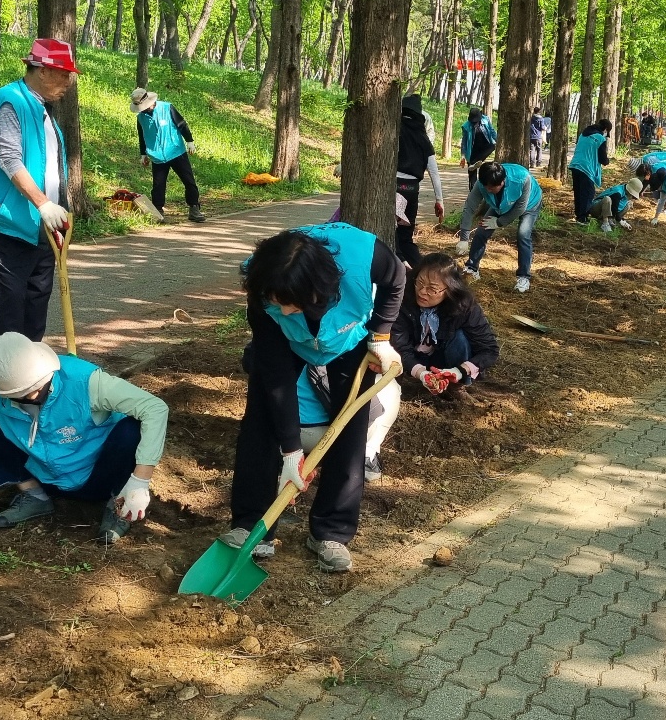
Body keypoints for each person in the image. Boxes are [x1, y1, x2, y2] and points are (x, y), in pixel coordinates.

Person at [226, 224, 406, 572]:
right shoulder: (262, 276)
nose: (287, 311)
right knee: (261, 423)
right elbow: (275, 373)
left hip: (347, 343)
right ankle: (251, 525)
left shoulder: (364, 256)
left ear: (317, 289)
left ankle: (331, 531)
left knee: (349, 433)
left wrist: (381, 335)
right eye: (278, 304)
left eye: (292, 304)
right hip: (285, 344)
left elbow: (396, 279)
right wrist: (292, 451)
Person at [0, 332, 167, 543]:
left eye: (35, 387)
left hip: (99, 476)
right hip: (45, 478)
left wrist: (140, 481)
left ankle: (119, 505)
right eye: (22, 393)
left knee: (131, 429)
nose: (32, 396)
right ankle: (34, 497)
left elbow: (155, 408)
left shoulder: (86, 382)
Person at [0, 38, 77, 341]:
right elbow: (8, 158)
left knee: (37, 296)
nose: (69, 82)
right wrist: (44, 203)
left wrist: (56, 207)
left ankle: (31, 371)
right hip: (8, 221)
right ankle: (8, 374)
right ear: (42, 71)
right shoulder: (10, 100)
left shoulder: (41, 107)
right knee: (13, 301)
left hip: (40, 223)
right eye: (64, 73)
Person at [391, 254, 499, 407]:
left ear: (449, 289)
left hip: (444, 359)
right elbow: (399, 346)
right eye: (419, 282)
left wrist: (459, 371)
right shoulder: (401, 298)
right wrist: (421, 373)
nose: (422, 292)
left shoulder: (464, 306)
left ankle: (456, 387)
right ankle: (398, 384)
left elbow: (489, 350)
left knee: (460, 338)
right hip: (411, 357)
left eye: (432, 289)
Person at [457, 161, 543, 293]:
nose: (488, 190)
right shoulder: (482, 184)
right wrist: (464, 238)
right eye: (486, 187)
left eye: (491, 188)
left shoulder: (522, 179)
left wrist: (499, 222)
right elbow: (469, 207)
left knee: (523, 234)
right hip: (500, 205)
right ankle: (472, 268)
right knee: (482, 230)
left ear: (502, 182)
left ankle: (523, 277)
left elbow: (520, 208)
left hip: (529, 204)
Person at [132, 87, 205, 224]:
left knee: (189, 181)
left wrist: (190, 141)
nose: (144, 109)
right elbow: (142, 137)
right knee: (158, 185)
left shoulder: (167, 107)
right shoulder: (141, 118)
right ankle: (158, 211)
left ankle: (194, 208)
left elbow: (182, 124)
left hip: (177, 151)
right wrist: (143, 154)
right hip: (157, 157)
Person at [394, 95, 446, 267]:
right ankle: (420, 270)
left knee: (392, 235)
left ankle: (403, 268)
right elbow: (434, 172)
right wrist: (439, 200)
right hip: (411, 191)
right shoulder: (423, 139)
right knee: (406, 238)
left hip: (394, 188)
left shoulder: (394, 131)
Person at [569, 119, 613, 224]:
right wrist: (607, 161)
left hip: (575, 164)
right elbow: (602, 159)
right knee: (588, 193)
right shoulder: (600, 138)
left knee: (578, 191)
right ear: (606, 129)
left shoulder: (583, 133)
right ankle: (582, 218)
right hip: (587, 168)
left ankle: (578, 214)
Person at [459, 109, 498, 188]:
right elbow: (464, 142)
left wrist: (498, 141)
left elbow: (492, 131)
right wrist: (463, 156)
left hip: (485, 145)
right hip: (473, 150)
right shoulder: (466, 126)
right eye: (473, 121)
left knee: (492, 146)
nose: (475, 123)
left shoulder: (486, 120)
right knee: (471, 171)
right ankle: (473, 191)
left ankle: (474, 163)